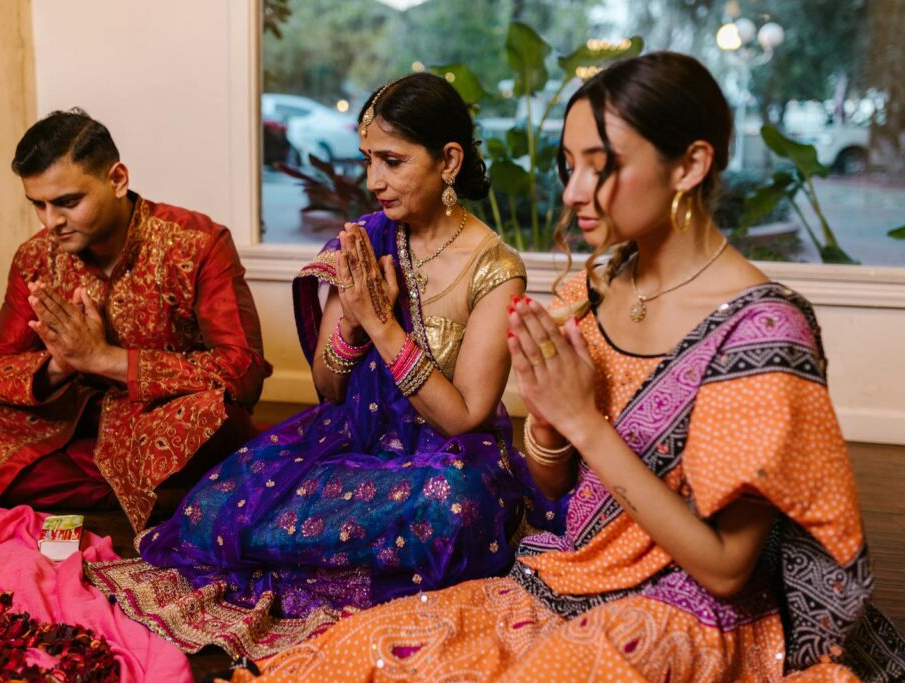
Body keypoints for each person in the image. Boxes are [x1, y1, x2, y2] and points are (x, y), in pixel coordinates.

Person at [220, 52, 905, 682]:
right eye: (566, 164)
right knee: (360, 654)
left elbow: (727, 569)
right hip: (568, 574)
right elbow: (555, 496)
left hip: (689, 610)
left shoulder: (762, 332)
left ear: (690, 166)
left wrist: (581, 418)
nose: (574, 191)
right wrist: (549, 430)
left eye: (599, 165)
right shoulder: (593, 291)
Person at [86, 72, 556, 658]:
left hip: (445, 463)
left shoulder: (495, 269)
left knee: (452, 509)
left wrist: (382, 325)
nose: (373, 181)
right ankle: (357, 558)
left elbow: (462, 417)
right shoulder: (364, 242)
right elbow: (328, 388)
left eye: (391, 161)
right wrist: (353, 325)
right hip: (351, 444)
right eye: (367, 160)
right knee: (210, 514)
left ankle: (342, 560)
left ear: (449, 160)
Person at [0, 109, 271, 531]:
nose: (52, 222)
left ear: (117, 179)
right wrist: (60, 365)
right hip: (72, 428)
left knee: (215, 419)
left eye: (68, 202)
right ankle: (157, 492)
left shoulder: (198, 243)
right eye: (39, 205)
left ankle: (132, 486)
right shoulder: (35, 258)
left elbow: (242, 370)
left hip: (158, 421)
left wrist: (104, 359)